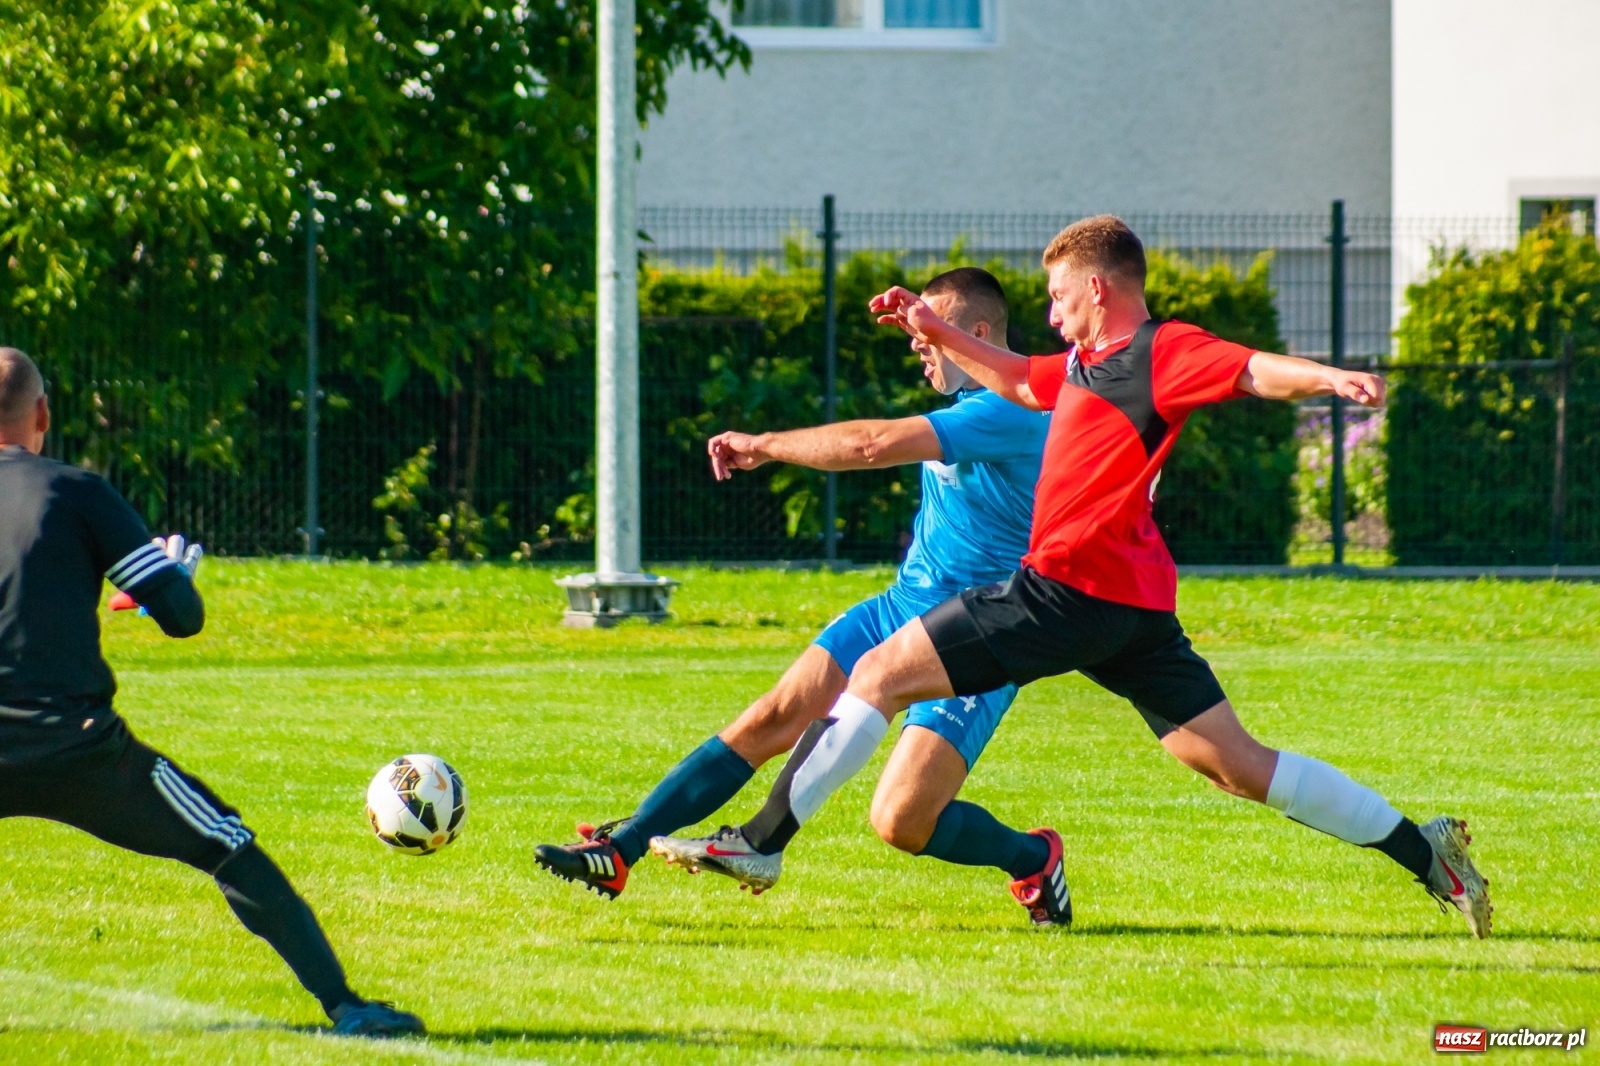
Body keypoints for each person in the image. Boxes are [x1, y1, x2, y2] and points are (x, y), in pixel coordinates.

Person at [728, 216, 1492, 939]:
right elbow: (1022, 382)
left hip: (1068, 588)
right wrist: (937, 331)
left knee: (881, 671)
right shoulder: (1085, 365)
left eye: (1059, 297)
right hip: (1131, 604)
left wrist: (1327, 377)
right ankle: (1426, 854)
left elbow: (1251, 370)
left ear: (1098, 288)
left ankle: (763, 839)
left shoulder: (1162, 350)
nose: (1054, 317)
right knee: (1234, 763)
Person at [535, 268, 1073, 925]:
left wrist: (763, 446)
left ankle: (1032, 858)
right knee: (774, 714)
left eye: (931, 330)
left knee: (902, 820)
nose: (917, 344)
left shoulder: (1011, 409)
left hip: (978, 634)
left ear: (979, 333)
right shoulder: (973, 405)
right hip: (903, 606)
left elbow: (870, 445)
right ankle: (617, 853)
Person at [0, 347, 427, 1035]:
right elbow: (182, 619)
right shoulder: (78, 492)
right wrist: (170, 577)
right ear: (43, 413)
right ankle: (346, 1007)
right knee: (229, 845)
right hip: (78, 752)